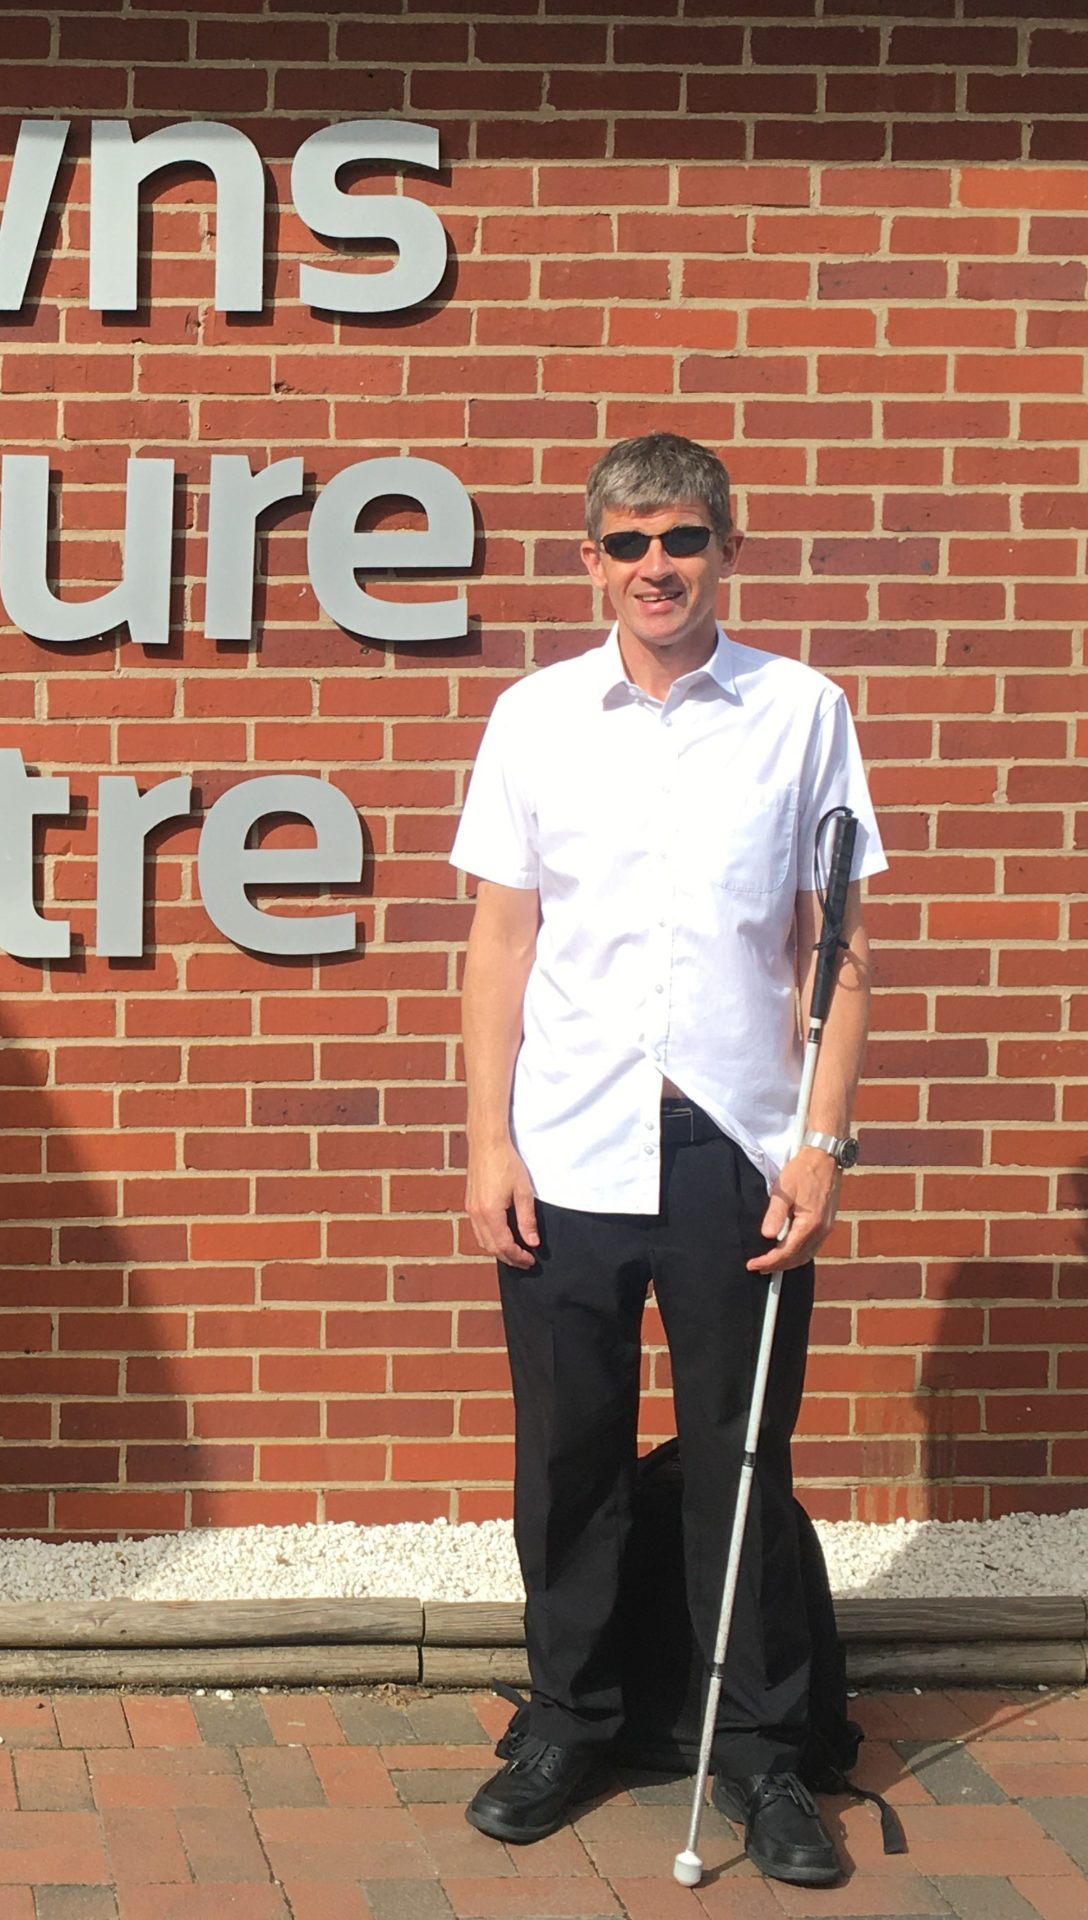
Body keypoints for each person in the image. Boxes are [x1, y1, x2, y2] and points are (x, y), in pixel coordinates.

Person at [451, 433, 881, 1887]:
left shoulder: (801, 712)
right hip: (566, 1145)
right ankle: (570, 1720)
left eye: (682, 540)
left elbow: (842, 953)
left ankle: (765, 1759)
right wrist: (485, 1143)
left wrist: (820, 1143)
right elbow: (500, 946)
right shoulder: (532, 718)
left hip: (736, 1145)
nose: (656, 567)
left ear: (725, 551)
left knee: (736, 1461)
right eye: (628, 542)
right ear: (590, 559)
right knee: (568, 1456)